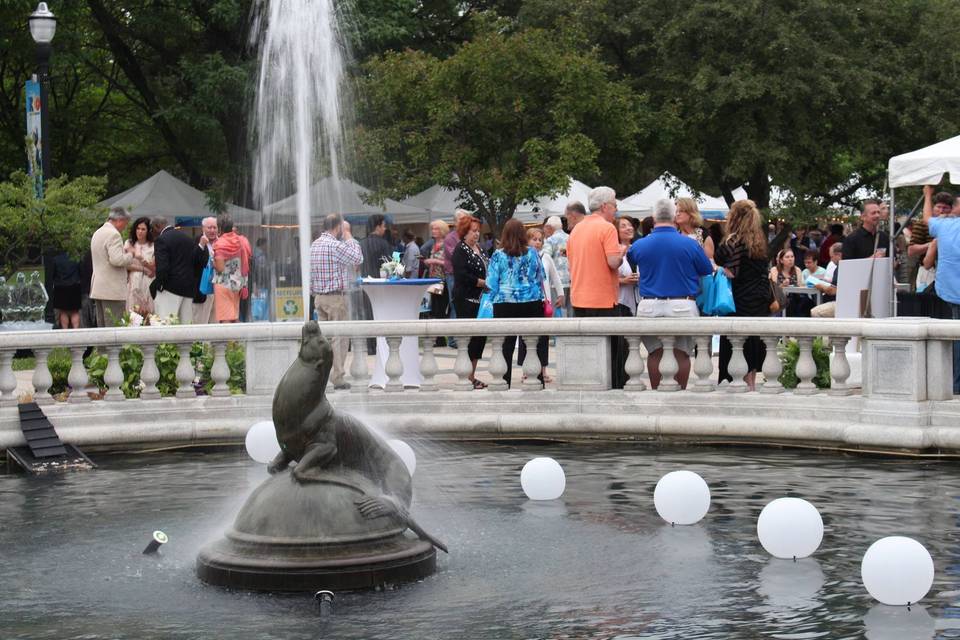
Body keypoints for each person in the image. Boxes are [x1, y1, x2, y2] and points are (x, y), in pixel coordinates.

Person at [627, 199, 713, 389]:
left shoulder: (640, 245)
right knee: (681, 353)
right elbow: (706, 269)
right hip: (683, 304)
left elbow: (631, 258)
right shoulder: (690, 244)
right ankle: (679, 392)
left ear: (654, 217)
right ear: (674, 216)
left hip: (649, 305)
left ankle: (658, 391)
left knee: (654, 353)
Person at [567, 186, 627, 388]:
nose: (616, 209)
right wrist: (622, 253)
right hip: (603, 299)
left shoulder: (576, 229)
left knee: (587, 353)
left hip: (579, 298)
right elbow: (612, 262)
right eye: (614, 204)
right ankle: (615, 389)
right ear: (604, 206)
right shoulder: (607, 228)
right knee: (615, 354)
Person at [716, 200, 771, 390]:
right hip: (759, 298)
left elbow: (732, 271)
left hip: (739, 298)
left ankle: (743, 385)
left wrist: (718, 268)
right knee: (753, 342)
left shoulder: (734, 241)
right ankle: (751, 384)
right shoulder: (759, 241)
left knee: (738, 341)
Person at [486, 219, 545, 388]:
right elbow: (540, 277)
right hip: (531, 302)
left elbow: (491, 283)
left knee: (506, 347)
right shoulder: (532, 253)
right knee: (534, 345)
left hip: (504, 303)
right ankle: (537, 383)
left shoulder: (498, 255)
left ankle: (504, 384)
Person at [310, 214, 362, 390]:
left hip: (319, 298)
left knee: (324, 339)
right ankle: (337, 377)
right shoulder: (335, 245)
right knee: (339, 338)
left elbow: (310, 273)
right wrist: (349, 237)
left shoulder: (314, 245)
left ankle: (322, 375)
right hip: (336, 298)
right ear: (338, 227)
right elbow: (357, 258)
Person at [923, 184, 960, 394]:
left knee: (955, 337)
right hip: (951, 287)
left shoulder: (944, 226)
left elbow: (927, 219)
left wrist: (927, 194)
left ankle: (955, 385)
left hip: (950, 289)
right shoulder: (947, 225)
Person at [517, 227, 563, 383]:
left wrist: (561, 293)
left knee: (543, 338)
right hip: (526, 301)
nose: (537, 243)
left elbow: (555, 277)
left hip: (544, 301)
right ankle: (526, 370)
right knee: (526, 337)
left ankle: (543, 370)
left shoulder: (546, 257)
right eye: (534, 239)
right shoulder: (521, 256)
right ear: (526, 240)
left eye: (539, 240)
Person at [450, 215, 488, 388]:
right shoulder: (460, 250)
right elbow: (461, 275)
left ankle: (472, 375)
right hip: (465, 298)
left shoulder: (479, 248)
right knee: (470, 338)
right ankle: (467, 376)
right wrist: (481, 283)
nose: (477, 234)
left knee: (479, 339)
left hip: (481, 299)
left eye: (478, 231)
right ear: (464, 232)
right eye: (473, 231)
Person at [151, 216, 208, 324]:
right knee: (185, 325)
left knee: (165, 323)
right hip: (188, 289)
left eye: (151, 229)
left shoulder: (161, 240)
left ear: (157, 226)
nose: (152, 233)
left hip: (170, 288)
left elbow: (162, 267)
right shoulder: (186, 237)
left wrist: (159, 285)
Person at [90, 207, 134, 327]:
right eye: (125, 223)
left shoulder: (97, 232)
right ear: (120, 220)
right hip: (112, 290)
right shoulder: (114, 234)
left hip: (98, 287)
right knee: (114, 327)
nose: (124, 227)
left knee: (102, 326)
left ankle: (101, 347)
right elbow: (117, 260)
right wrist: (130, 254)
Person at [211, 215, 251, 323]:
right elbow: (246, 261)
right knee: (234, 316)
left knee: (225, 319)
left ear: (220, 228)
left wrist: (212, 262)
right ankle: (238, 339)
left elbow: (220, 268)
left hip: (223, 283)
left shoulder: (220, 243)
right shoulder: (241, 240)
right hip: (238, 282)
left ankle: (228, 340)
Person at [420, 220, 451, 340]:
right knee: (435, 307)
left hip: (442, 279)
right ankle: (438, 337)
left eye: (436, 229)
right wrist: (428, 263)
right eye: (433, 229)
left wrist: (434, 261)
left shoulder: (446, 244)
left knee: (441, 307)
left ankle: (440, 337)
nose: (434, 231)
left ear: (442, 230)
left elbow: (449, 263)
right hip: (433, 279)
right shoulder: (433, 244)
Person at [124, 216, 155, 315]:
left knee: (148, 312)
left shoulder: (153, 246)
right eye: (138, 228)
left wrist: (138, 256)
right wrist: (143, 269)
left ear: (148, 231)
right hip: (133, 280)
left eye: (143, 229)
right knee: (133, 311)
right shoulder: (129, 243)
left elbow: (153, 268)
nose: (140, 231)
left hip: (148, 282)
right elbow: (125, 264)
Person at [542, 215, 570, 315]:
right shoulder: (570, 238)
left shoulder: (551, 240)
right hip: (572, 280)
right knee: (571, 313)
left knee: (557, 312)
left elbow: (545, 258)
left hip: (556, 283)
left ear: (549, 227)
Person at [49, 247, 82, 329]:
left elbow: (53, 274)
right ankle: (76, 330)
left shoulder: (56, 259)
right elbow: (80, 272)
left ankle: (65, 330)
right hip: (75, 287)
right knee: (75, 311)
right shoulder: (76, 258)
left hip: (61, 288)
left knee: (63, 312)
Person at [193, 217, 218, 324]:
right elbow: (192, 261)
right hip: (202, 289)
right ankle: (199, 341)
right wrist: (201, 245)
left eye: (214, 227)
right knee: (200, 321)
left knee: (215, 321)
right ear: (203, 228)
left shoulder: (221, 241)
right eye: (209, 228)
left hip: (217, 288)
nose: (212, 230)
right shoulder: (197, 240)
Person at [770, 248, 807, 317]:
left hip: (795, 299)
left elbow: (801, 286)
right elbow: (773, 289)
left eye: (792, 256)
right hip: (779, 299)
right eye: (787, 257)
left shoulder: (797, 270)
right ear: (781, 260)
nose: (790, 259)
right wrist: (782, 285)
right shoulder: (775, 270)